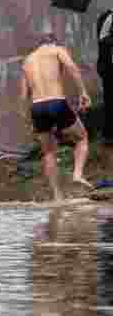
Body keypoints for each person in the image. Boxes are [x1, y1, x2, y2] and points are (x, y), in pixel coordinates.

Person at [21, 36, 93, 201]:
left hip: (37, 107)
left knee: (48, 152)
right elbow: (72, 67)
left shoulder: (27, 60)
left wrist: (29, 120)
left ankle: (57, 196)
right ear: (53, 42)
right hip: (56, 102)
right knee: (82, 138)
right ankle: (77, 175)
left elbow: (24, 95)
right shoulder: (57, 50)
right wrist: (83, 92)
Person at [97, 9, 113, 143]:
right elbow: (103, 39)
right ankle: (108, 134)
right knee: (109, 100)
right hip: (109, 68)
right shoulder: (108, 18)